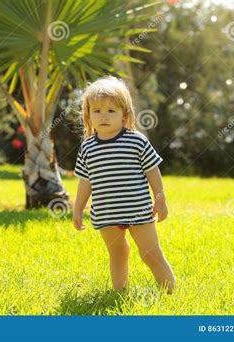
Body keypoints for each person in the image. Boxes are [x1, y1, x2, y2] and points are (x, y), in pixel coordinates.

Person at [72, 75, 176, 294]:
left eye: (111, 111)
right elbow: (85, 181)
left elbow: (152, 171)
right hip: (106, 214)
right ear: (88, 116)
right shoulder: (88, 147)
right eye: (97, 111)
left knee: (150, 253)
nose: (104, 116)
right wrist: (79, 208)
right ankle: (120, 293)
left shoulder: (136, 141)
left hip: (138, 210)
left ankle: (170, 292)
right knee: (117, 253)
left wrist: (160, 200)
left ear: (124, 115)